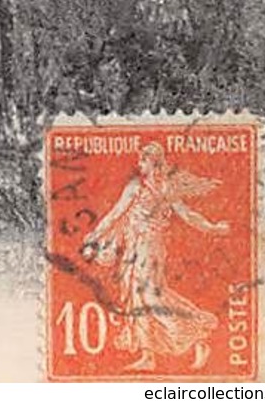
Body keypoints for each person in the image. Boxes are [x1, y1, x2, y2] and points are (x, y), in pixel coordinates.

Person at [81, 142, 229, 372]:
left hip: (149, 248)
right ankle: (147, 356)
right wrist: (96, 235)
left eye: (143, 160)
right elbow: (116, 214)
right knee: (136, 297)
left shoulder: (162, 188)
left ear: (154, 162)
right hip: (134, 247)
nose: (139, 164)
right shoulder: (138, 187)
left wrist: (212, 228)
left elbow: (187, 214)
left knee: (150, 297)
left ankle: (196, 340)